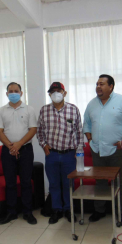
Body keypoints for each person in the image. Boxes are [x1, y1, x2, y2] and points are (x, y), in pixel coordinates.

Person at [83, 74, 122, 225]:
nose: (98, 86)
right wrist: (90, 139)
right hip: (97, 149)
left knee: (119, 181)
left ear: (111, 86)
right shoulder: (92, 104)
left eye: (102, 84)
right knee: (99, 180)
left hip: (116, 150)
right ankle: (99, 210)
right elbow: (86, 124)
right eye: (97, 84)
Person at [37, 82, 84, 224]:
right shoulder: (44, 110)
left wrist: (79, 150)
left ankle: (69, 210)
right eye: (53, 91)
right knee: (54, 184)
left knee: (69, 183)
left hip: (69, 154)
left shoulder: (73, 109)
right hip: (51, 154)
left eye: (59, 90)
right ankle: (56, 210)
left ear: (64, 93)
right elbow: (39, 131)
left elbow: (79, 132)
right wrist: (44, 146)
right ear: (49, 94)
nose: (56, 93)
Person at [0, 82, 38, 225]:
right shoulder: (1, 111)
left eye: (16, 90)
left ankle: (27, 212)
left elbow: (33, 129)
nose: (13, 93)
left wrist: (19, 144)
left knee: (26, 182)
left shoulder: (29, 109)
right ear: (6, 94)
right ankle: (11, 212)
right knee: (10, 183)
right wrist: (10, 146)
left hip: (25, 150)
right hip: (7, 151)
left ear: (21, 93)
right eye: (10, 91)